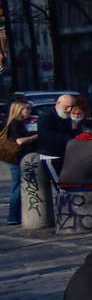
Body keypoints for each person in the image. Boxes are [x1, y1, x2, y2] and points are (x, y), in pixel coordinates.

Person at [4, 96, 30, 225]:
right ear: (20, 110)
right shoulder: (15, 123)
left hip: (17, 157)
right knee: (17, 186)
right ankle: (13, 216)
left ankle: (16, 215)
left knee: (19, 186)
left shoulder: (19, 123)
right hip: (16, 158)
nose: (29, 111)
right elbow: (19, 141)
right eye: (27, 109)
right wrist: (35, 136)